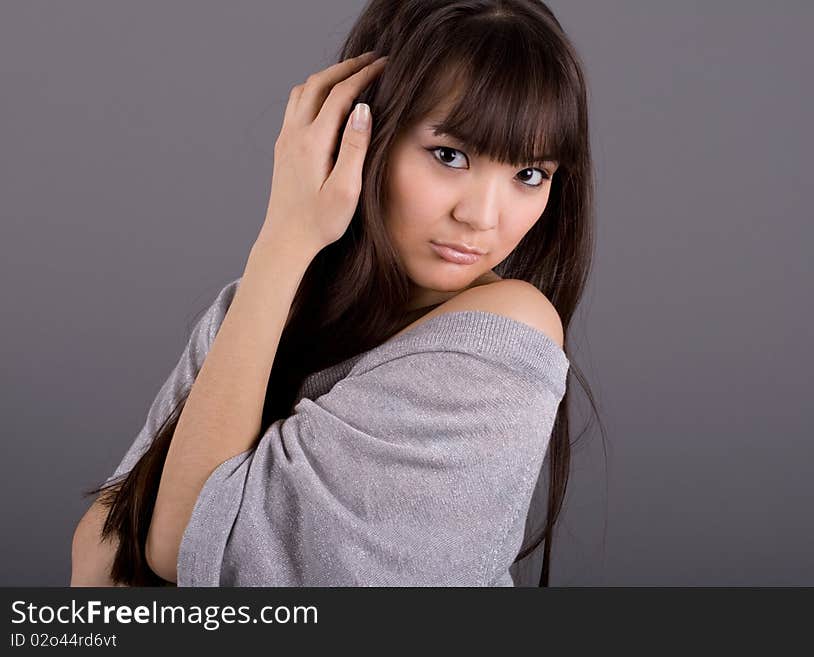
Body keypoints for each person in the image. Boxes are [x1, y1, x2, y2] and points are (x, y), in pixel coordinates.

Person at [71, 0, 605, 587]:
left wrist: (281, 243)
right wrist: (285, 245)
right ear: (357, 130)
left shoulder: (505, 334)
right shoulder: (264, 306)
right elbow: (100, 552)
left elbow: (179, 546)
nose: (482, 216)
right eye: (449, 156)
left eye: (530, 175)